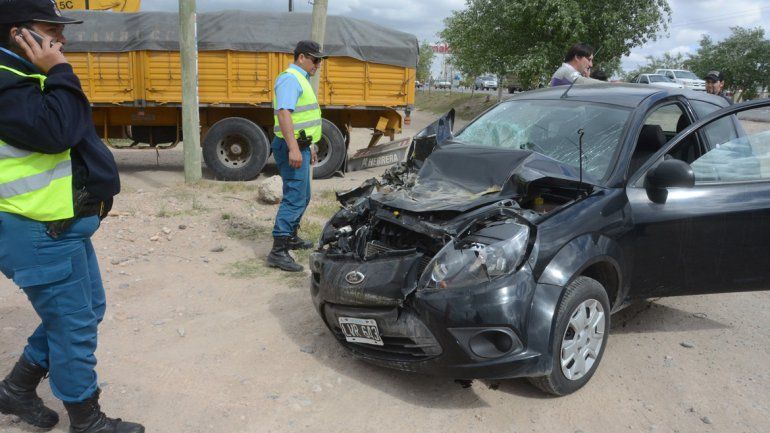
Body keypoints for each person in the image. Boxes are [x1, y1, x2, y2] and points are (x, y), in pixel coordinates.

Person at [0, 1, 143, 432]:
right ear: (18, 33)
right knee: (74, 324)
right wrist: (60, 69)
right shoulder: (6, 80)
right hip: (36, 230)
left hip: (60, 228)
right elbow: (56, 132)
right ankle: (87, 421)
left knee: (85, 310)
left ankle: (17, 388)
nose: (61, 40)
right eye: (51, 30)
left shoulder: (25, 75)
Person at [266, 40, 324, 272]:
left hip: (301, 145)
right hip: (291, 146)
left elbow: (302, 118)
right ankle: (278, 252)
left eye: (320, 60)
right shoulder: (291, 78)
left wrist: (308, 147)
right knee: (294, 198)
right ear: (301, 57)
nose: (318, 64)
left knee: (304, 196)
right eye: (315, 59)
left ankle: (290, 237)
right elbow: (284, 114)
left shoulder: (301, 79)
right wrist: (293, 148)